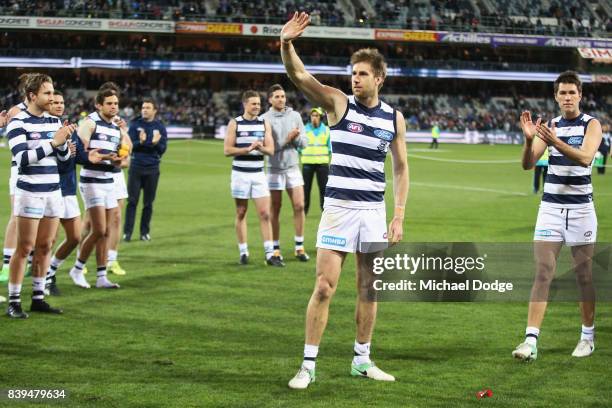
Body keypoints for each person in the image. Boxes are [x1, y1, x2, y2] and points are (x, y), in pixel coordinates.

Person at [280, 13, 409, 389]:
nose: (355, 78)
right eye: (353, 72)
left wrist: (398, 215)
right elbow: (301, 78)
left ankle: (362, 360)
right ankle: (307, 365)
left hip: (373, 211)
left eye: (363, 73)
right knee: (324, 286)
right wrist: (286, 43)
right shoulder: (339, 104)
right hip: (338, 209)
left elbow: (401, 170)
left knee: (369, 288)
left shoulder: (394, 119)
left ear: (379, 78)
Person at [513, 71, 602, 361]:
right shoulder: (550, 126)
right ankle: (530, 341)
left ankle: (587, 336)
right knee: (542, 273)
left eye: (571, 93)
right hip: (550, 210)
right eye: (562, 93)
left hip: (580, 212)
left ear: (580, 95)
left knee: (583, 276)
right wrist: (529, 142)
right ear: (556, 96)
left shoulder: (592, 124)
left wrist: (555, 142)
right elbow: (528, 165)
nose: (566, 97)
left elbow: (586, 157)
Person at [5, 73, 75, 318]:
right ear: (32, 96)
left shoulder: (55, 123)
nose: (52, 96)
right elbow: (22, 159)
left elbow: (64, 163)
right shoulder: (17, 122)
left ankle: (38, 298)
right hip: (30, 192)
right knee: (24, 248)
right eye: (47, 93)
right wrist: (53, 144)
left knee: (45, 246)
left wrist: (65, 145)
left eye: (53, 91)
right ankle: (13, 301)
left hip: (52, 191)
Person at [68, 86, 130, 289]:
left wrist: (118, 161)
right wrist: (104, 156)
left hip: (108, 181)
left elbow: (123, 159)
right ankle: (77, 269)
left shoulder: (116, 128)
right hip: (91, 180)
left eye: (116, 104)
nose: (114, 107)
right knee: (98, 229)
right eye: (109, 104)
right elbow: (82, 154)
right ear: (98, 105)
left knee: (106, 231)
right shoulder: (89, 123)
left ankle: (102, 277)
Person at [44, 91, 106, 295]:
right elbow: (54, 161)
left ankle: (50, 272)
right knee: (47, 241)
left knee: (75, 237)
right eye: (54, 102)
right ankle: (40, 282)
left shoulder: (68, 127)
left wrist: (89, 157)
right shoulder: (44, 128)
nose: (59, 105)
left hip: (68, 190)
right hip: (48, 190)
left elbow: (77, 154)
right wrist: (65, 152)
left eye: (62, 102)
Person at [224, 90, 282, 266]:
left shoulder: (264, 124)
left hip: (258, 174)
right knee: (241, 212)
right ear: (245, 105)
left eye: (258, 104)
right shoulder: (235, 124)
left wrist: (260, 148)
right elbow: (227, 150)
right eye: (253, 104)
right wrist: (246, 149)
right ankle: (243, 252)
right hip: (240, 174)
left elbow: (271, 150)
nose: (257, 107)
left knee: (265, 213)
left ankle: (270, 254)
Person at [262, 84, 309, 263]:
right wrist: (286, 140)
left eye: (283, 96)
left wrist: (296, 139)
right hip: (274, 169)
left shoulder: (295, 116)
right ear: (270, 99)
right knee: (276, 208)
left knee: (299, 206)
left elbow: (304, 143)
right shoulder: (264, 119)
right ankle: (275, 248)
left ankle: (299, 247)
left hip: (292, 168)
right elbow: (269, 149)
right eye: (277, 96)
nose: (281, 99)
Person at [1, 73, 31, 285]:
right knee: (16, 215)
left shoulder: (47, 111)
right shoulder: (16, 111)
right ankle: (6, 264)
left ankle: (28, 261)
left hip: (43, 173)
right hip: (20, 169)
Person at [123, 98, 167, 242]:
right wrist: (141, 142)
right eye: (143, 107)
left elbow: (162, 149)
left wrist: (154, 144)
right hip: (136, 167)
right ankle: (127, 233)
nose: (144, 110)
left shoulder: (160, 127)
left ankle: (144, 232)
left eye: (148, 107)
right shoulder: (135, 124)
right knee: (132, 201)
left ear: (154, 110)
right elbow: (129, 146)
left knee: (148, 203)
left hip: (152, 169)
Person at [300, 107, 330, 215]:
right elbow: (299, 147)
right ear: (310, 117)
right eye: (313, 115)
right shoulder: (304, 129)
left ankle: (325, 211)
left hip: (322, 164)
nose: (314, 118)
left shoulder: (326, 130)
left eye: (317, 116)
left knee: (323, 190)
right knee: (305, 190)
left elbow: (330, 148)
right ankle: (304, 212)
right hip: (308, 163)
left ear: (320, 118)